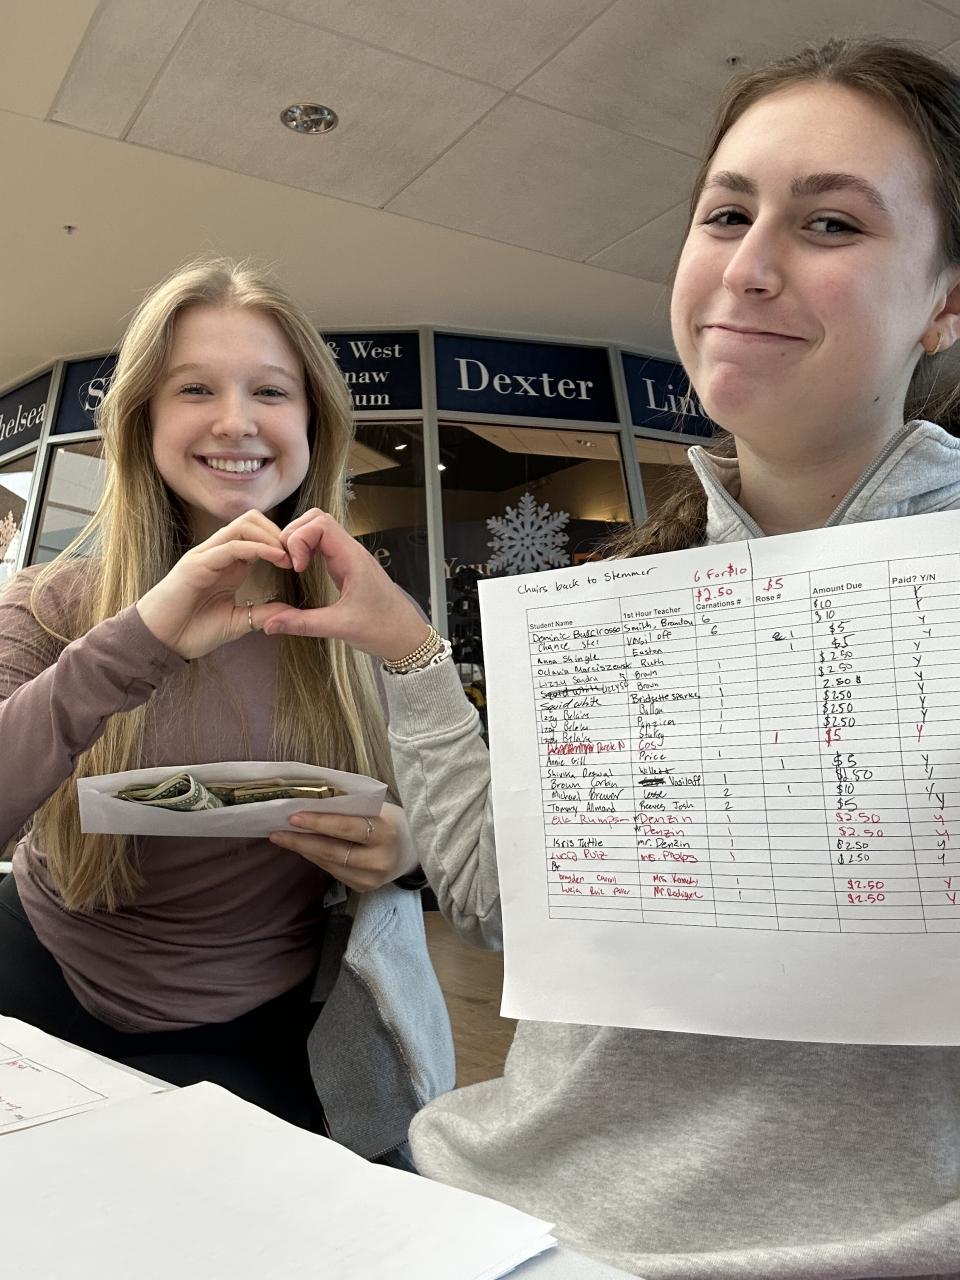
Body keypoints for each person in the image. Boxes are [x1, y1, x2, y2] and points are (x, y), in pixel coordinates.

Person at [254, 37, 960, 1280]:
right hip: (492, 1219)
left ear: (947, 300)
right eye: (726, 214)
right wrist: (409, 648)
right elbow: (503, 907)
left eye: (831, 223)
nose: (748, 266)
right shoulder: (623, 599)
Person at [0, 259, 454, 1160]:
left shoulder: (370, 617)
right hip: (32, 989)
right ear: (143, 421)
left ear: (314, 423)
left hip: (256, 1037)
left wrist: (410, 854)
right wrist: (141, 636)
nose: (236, 420)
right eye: (195, 388)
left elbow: (469, 835)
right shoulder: (50, 604)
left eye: (271, 391)